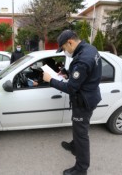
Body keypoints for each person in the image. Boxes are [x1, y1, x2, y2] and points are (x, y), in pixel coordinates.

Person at [43, 30, 102, 175]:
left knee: (81, 134)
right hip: (89, 96)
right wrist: (68, 73)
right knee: (78, 128)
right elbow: (84, 75)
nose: (64, 52)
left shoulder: (83, 59)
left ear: (70, 42)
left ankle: (81, 169)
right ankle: (74, 146)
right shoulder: (89, 49)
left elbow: (71, 87)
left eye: (63, 48)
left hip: (83, 101)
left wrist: (50, 80)